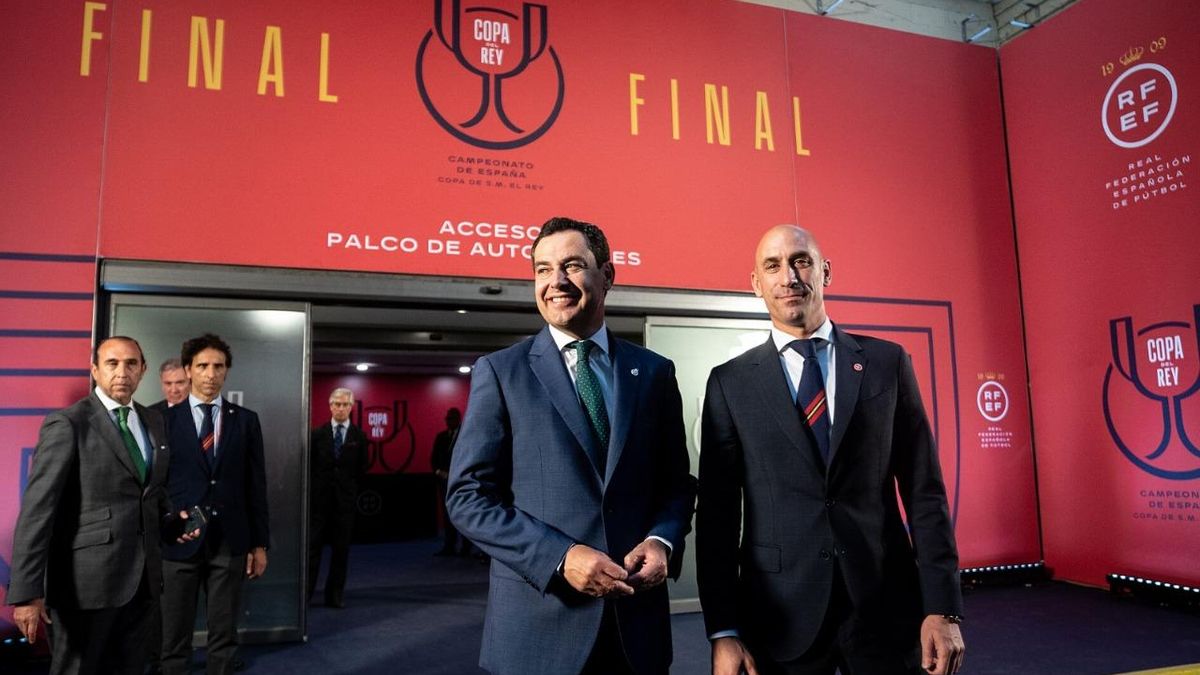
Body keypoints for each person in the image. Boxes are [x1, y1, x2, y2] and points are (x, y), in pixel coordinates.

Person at [696, 225, 966, 675]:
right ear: (755, 283)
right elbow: (718, 518)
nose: (789, 277)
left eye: (800, 260)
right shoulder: (730, 383)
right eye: (772, 265)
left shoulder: (887, 364)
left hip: (886, 610)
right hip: (779, 619)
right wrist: (723, 631)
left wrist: (943, 607)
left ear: (825, 272)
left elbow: (925, 493)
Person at [446, 217, 695, 675]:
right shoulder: (502, 373)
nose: (555, 282)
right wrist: (560, 557)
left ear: (608, 275)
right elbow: (467, 498)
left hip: (636, 629)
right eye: (543, 269)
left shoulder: (654, 373)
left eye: (572, 266)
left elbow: (676, 484)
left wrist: (662, 541)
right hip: (539, 629)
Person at [7, 336, 198, 675]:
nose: (121, 372)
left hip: (143, 582)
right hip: (84, 586)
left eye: (130, 364)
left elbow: (151, 492)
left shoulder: (153, 421)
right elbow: (38, 512)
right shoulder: (68, 423)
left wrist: (172, 524)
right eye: (111, 363)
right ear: (95, 370)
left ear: (143, 371)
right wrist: (27, 593)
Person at [160, 334, 270, 675]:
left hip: (230, 540)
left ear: (227, 371)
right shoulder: (161, 419)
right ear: (189, 370)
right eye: (203, 365)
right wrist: (166, 524)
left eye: (218, 366)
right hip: (179, 541)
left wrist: (259, 543)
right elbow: (154, 485)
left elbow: (256, 485)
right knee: (173, 632)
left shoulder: (246, 420)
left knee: (224, 630)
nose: (211, 373)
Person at [308, 387, 369, 607]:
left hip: (344, 505)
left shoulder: (359, 436)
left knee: (341, 551)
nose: (341, 408)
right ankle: (306, 594)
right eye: (337, 404)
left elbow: (362, 469)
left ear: (351, 407)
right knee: (312, 549)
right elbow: (310, 467)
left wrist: (349, 493)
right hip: (318, 503)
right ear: (330, 406)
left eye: (345, 405)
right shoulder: (317, 434)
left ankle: (334, 595)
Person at [430, 407, 468, 556]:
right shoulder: (441, 437)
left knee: (464, 514)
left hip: (461, 481)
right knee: (448, 515)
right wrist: (439, 472)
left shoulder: (465, 436)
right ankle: (449, 546)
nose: (448, 421)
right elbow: (434, 458)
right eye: (447, 419)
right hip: (444, 481)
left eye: (451, 419)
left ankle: (466, 548)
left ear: (458, 419)